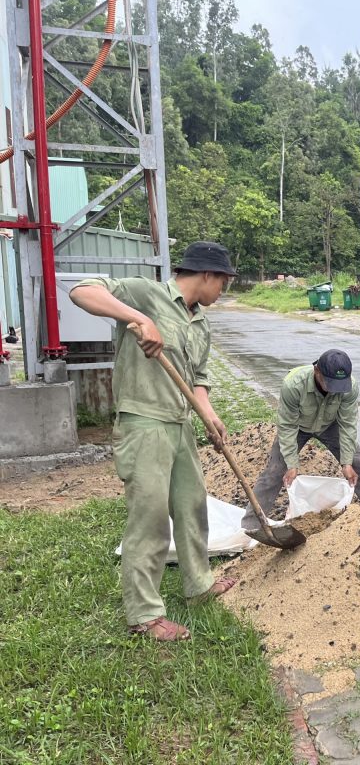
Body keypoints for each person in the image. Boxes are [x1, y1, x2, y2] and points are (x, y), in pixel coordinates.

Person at [70, 241, 239, 642]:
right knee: (149, 519)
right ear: (207, 275)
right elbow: (81, 291)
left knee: (192, 506)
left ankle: (198, 585)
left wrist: (209, 414)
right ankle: (144, 615)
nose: (223, 292)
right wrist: (140, 320)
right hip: (144, 423)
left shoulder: (201, 323)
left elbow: (196, 379)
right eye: (224, 284)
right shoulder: (147, 294)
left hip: (180, 423)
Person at [241, 349, 360, 532]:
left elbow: (348, 425)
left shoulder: (350, 387)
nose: (335, 389)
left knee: (359, 464)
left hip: (329, 425)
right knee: (275, 471)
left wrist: (346, 462)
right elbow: (287, 426)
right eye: (331, 383)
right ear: (317, 371)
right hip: (297, 426)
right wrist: (292, 463)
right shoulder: (293, 384)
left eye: (340, 385)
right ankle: (251, 527)